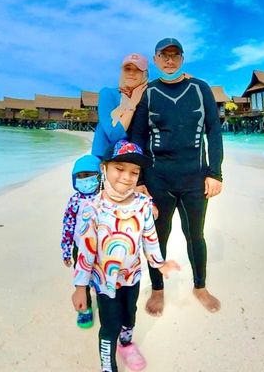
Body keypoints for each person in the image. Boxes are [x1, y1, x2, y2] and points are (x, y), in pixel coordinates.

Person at [129, 37, 223, 316]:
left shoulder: (200, 88)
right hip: (159, 180)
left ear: (182, 59)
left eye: (175, 55)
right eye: (163, 55)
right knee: (157, 235)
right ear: (156, 60)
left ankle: (200, 286)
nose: (169, 60)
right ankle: (157, 289)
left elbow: (213, 131)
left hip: (195, 178)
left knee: (196, 234)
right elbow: (138, 136)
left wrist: (215, 173)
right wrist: (140, 179)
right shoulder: (148, 93)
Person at [72, 140, 180, 372]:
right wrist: (80, 286)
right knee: (109, 325)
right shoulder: (92, 208)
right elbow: (86, 252)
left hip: (132, 277)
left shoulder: (142, 204)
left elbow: (150, 237)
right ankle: (108, 365)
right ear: (105, 168)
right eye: (119, 169)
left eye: (134, 172)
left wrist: (159, 263)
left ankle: (127, 343)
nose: (126, 176)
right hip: (104, 282)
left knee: (130, 315)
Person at [61, 154, 102, 328]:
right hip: (80, 247)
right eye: (80, 176)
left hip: (101, 248)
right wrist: (66, 249)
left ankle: (105, 303)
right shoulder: (74, 201)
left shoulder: (105, 198)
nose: (84, 180)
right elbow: (68, 225)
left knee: (101, 277)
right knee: (81, 279)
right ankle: (85, 309)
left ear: (99, 176)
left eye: (89, 175)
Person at [91, 53, 149, 159]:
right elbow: (114, 134)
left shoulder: (147, 99)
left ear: (144, 74)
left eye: (137, 70)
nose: (131, 73)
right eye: (127, 69)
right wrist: (131, 104)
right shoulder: (108, 94)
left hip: (132, 162)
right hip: (104, 160)